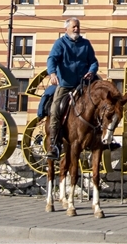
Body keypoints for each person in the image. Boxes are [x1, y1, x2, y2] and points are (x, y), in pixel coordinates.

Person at [46, 17, 99, 159]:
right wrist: (52, 74)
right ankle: (54, 144)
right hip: (66, 84)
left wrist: (92, 71)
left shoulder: (86, 44)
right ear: (66, 29)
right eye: (74, 27)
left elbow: (93, 61)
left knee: (102, 102)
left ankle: (104, 138)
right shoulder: (60, 43)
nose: (76, 29)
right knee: (55, 109)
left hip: (84, 84)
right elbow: (52, 59)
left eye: (78, 27)